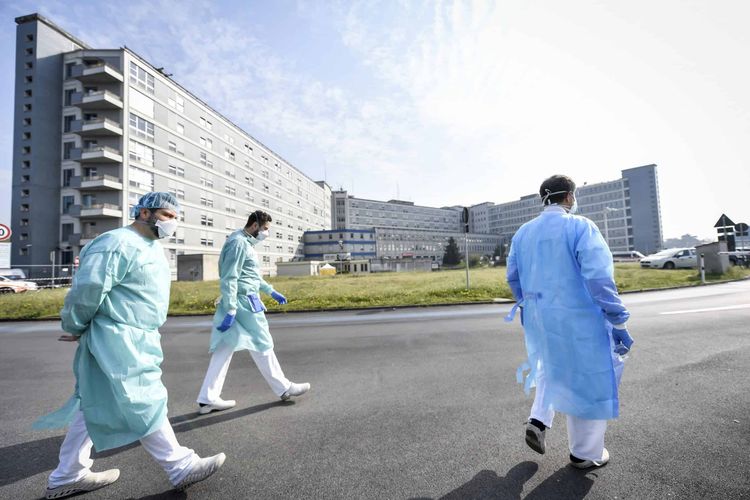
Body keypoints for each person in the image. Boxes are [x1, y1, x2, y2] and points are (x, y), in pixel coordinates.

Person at [34, 192, 225, 499]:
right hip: (117, 335)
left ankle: (67, 474)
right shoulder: (116, 243)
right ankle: (179, 465)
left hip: (139, 335)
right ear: (145, 213)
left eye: (175, 218)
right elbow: (88, 289)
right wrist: (74, 324)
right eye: (167, 215)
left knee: (96, 401)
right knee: (142, 396)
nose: (172, 223)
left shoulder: (150, 248)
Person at [505, 175, 634, 469]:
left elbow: (513, 277)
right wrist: (619, 321)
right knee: (589, 380)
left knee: (553, 367)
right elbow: (599, 279)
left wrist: (531, 306)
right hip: (580, 321)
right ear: (569, 197)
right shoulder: (580, 227)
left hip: (540, 319)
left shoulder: (523, 233)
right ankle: (585, 453)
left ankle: (539, 418)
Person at [196, 210, 310, 414]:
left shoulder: (242, 242)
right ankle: (284, 387)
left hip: (240, 300)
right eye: (266, 229)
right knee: (262, 343)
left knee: (225, 346)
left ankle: (208, 398)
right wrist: (231, 306)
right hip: (244, 302)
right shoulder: (239, 243)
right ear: (255, 225)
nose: (267, 233)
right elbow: (230, 277)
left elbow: (251, 275)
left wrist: (271, 291)